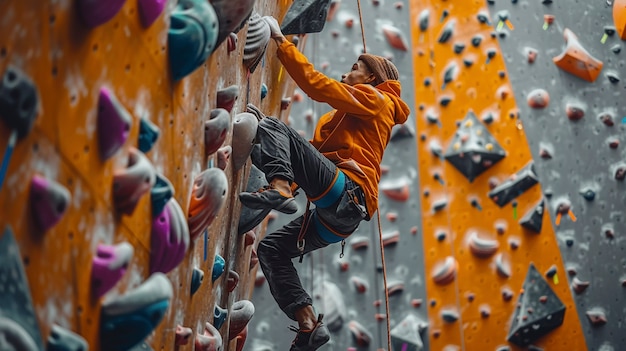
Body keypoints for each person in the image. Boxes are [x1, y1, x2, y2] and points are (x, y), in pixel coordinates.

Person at [238, 15, 410, 350]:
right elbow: (312, 156)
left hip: (346, 192)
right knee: (271, 250)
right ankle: (308, 324)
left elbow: (318, 86)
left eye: (356, 67)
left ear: (371, 77)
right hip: (340, 218)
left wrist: (282, 44)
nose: (349, 72)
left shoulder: (377, 100)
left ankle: (279, 186)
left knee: (275, 126)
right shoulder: (347, 117)